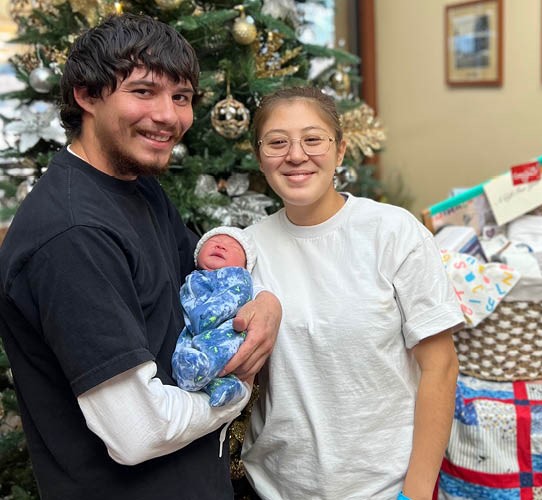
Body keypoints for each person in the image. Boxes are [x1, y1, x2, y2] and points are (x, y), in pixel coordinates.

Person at [0, 14, 280, 500]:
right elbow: (138, 432)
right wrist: (236, 392)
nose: (169, 116)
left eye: (182, 97)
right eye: (144, 91)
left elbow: (204, 284)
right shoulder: (72, 235)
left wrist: (267, 304)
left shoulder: (136, 185)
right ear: (87, 96)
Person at [239, 86, 465, 500]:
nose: (295, 155)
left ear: (340, 151)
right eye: (277, 142)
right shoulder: (247, 249)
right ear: (259, 157)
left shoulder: (393, 232)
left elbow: (441, 368)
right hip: (275, 487)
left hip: (386, 487)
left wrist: (415, 492)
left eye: (313, 139)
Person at [173, 226, 257, 407]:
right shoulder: (193, 277)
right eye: (214, 242)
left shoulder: (237, 276)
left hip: (224, 328)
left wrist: (212, 312)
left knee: (219, 348)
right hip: (193, 328)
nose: (221, 246)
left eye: (233, 247)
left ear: (245, 264)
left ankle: (207, 373)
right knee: (183, 353)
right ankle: (222, 387)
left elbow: (235, 297)